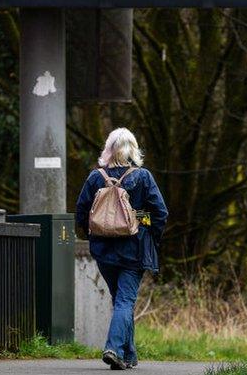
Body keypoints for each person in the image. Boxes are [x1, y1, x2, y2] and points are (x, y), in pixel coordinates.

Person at [75, 128, 168, 371]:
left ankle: (129, 355)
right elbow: (160, 213)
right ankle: (114, 348)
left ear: (108, 149)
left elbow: (81, 212)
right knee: (125, 301)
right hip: (133, 249)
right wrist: (140, 223)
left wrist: (96, 233)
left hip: (103, 250)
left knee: (120, 300)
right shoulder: (143, 177)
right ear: (133, 150)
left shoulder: (95, 178)